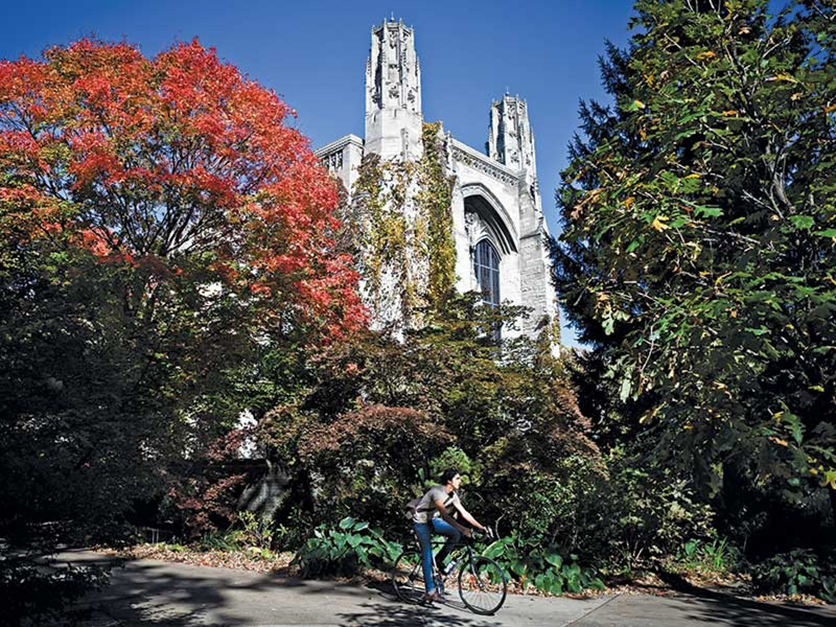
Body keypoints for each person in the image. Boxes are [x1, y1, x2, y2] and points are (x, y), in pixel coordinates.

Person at [411, 468, 489, 603]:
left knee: (455, 534)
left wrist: (481, 527)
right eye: (458, 478)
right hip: (421, 522)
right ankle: (430, 591)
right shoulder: (437, 493)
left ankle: (440, 560)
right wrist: (463, 529)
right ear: (449, 481)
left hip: (431, 520)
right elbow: (445, 516)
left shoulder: (453, 495)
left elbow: (465, 513)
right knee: (427, 554)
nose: (460, 481)